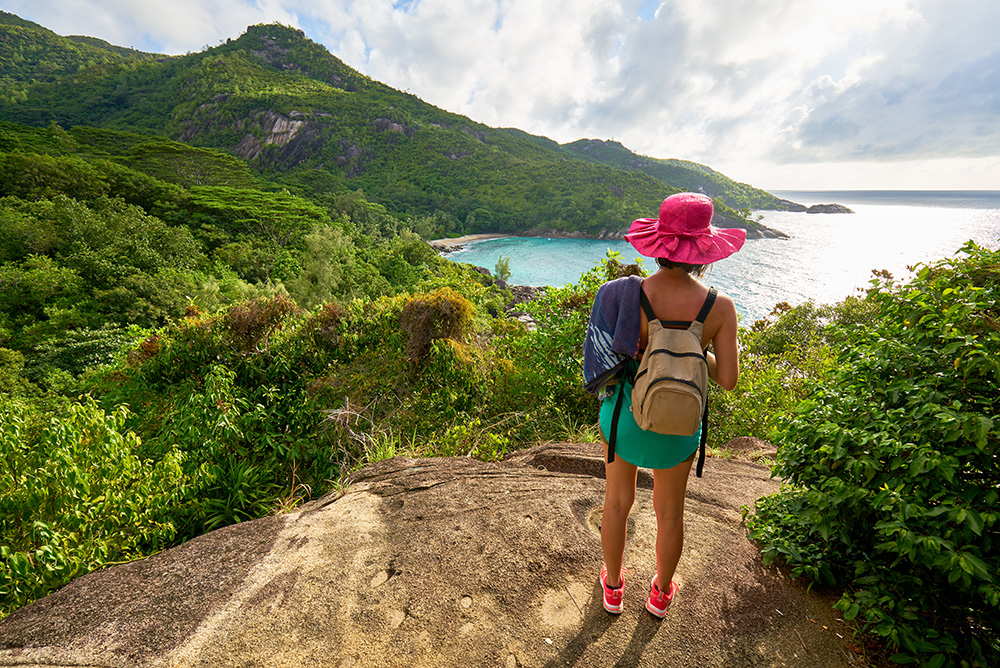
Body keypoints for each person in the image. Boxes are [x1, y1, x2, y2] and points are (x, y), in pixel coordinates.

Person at [582, 192, 745, 617]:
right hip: (679, 427)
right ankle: (660, 593)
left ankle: (613, 587)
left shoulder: (627, 296)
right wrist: (694, 344)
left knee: (617, 502)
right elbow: (727, 379)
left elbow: (612, 355)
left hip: (626, 421)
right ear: (704, 251)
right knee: (671, 513)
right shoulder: (720, 307)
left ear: (659, 245)